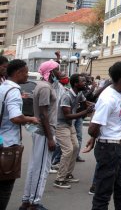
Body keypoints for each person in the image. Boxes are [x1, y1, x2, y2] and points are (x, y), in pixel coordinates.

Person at [82, 62, 121, 210]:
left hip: (114, 145)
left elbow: (101, 124)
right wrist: (95, 138)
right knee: (103, 192)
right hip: (108, 148)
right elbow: (93, 128)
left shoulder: (116, 94)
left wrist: (96, 137)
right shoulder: (108, 99)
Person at [20, 60, 61, 210]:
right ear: (51, 72)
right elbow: (43, 113)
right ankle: (34, 203)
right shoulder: (44, 87)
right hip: (45, 133)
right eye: (58, 70)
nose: (60, 72)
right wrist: (50, 138)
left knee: (34, 167)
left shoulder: (44, 85)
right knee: (41, 169)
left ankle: (27, 201)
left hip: (42, 132)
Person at [0, 60, 39, 210]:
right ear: (18, 73)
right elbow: (15, 117)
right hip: (8, 145)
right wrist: (31, 119)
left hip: (1, 138)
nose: (27, 75)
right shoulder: (13, 91)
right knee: (5, 186)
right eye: (26, 72)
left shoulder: (3, 87)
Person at [53, 74, 94, 189]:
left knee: (75, 147)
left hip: (69, 125)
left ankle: (67, 174)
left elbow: (87, 103)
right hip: (62, 125)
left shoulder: (79, 93)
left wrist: (96, 106)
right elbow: (67, 115)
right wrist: (85, 111)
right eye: (82, 81)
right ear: (76, 84)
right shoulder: (67, 96)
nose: (85, 82)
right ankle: (59, 179)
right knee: (68, 150)